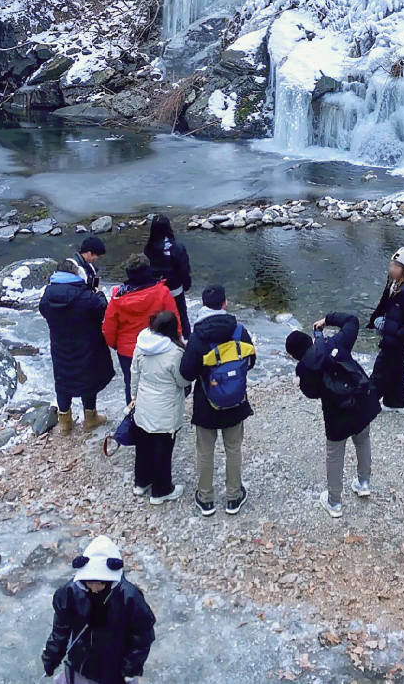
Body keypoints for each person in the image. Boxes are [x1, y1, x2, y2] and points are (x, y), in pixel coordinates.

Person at [287, 310, 381, 518]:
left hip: (336, 412)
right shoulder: (336, 342)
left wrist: (302, 378)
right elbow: (352, 320)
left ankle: (335, 503)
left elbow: (311, 394)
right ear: (310, 340)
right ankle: (364, 482)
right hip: (360, 400)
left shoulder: (304, 369)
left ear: (295, 356)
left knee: (335, 456)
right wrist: (328, 319)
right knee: (363, 440)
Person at [177, 285, 255, 517]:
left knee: (205, 451)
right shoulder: (239, 330)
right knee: (233, 448)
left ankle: (206, 498)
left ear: (202, 305)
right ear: (225, 303)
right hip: (235, 399)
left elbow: (187, 372)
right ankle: (233, 497)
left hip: (206, 403)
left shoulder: (197, 336)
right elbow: (250, 361)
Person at [41, 535, 156, 684]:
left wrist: (130, 668)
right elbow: (60, 630)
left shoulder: (130, 598)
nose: (94, 588)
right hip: (80, 665)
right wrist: (51, 657)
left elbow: (143, 636)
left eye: (100, 583)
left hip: (115, 669)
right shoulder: (69, 594)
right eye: (90, 582)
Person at [40, 240, 117, 435]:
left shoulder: (47, 296)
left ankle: (65, 422)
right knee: (87, 380)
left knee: (62, 380)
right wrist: (100, 296)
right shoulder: (86, 297)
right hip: (86, 344)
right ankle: (90, 418)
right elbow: (101, 311)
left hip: (60, 345)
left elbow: (44, 311)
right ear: (76, 275)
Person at [130, 310, 188, 505]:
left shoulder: (141, 345)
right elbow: (181, 382)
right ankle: (161, 490)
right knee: (162, 449)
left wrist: (134, 397)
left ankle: (141, 482)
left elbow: (134, 374)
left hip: (144, 404)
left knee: (143, 444)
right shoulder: (175, 353)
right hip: (165, 408)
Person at [102, 255, 179, 396]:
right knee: (158, 385)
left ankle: (132, 415)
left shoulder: (117, 297)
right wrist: (176, 342)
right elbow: (174, 320)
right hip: (159, 348)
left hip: (127, 351)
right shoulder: (162, 292)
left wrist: (116, 345)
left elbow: (109, 327)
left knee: (131, 386)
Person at [366, 246, 404, 411]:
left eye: (394, 266)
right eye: (391, 264)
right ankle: (395, 403)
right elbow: (384, 305)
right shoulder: (393, 284)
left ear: (403, 269)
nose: (390, 268)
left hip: (397, 339)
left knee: (381, 369)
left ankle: (367, 405)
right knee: (397, 368)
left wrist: (397, 334)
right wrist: (376, 321)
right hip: (391, 335)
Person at [142, 214, 192, 335]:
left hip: (156, 290)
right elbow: (184, 270)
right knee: (181, 316)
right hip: (175, 289)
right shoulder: (177, 247)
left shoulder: (148, 249)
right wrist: (186, 285)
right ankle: (185, 339)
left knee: (159, 317)